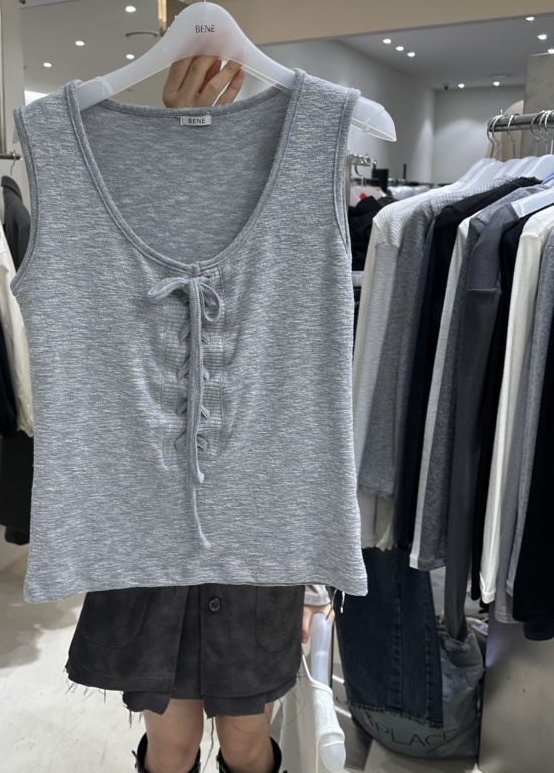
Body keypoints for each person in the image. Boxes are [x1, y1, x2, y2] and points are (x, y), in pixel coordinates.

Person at [62, 56, 338, 773]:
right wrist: (170, 147)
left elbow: (310, 405)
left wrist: (313, 581)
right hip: (147, 543)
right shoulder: (105, 189)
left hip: (258, 548)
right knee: (172, 741)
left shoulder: (306, 168)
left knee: (247, 740)